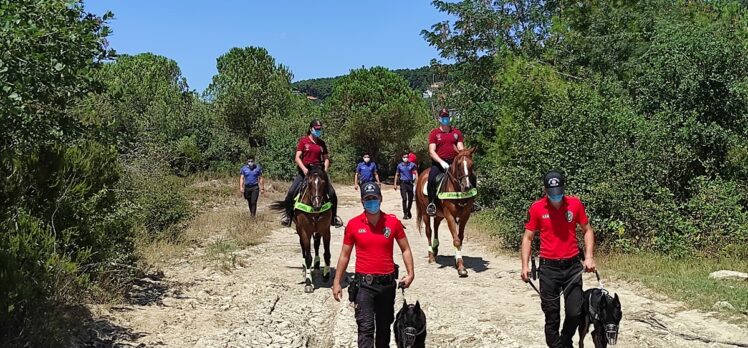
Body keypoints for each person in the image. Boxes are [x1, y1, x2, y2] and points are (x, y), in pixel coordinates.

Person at [332, 182, 415, 348]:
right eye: (367, 199)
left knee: (384, 328)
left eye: (374, 198)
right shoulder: (354, 225)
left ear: (380, 199)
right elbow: (344, 255)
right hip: (364, 286)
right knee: (366, 328)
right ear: (362, 201)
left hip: (387, 285)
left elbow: (405, 249)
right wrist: (336, 282)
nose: (371, 202)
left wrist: (411, 273)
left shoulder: (393, 223)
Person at [520, 170, 597, 348]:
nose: (556, 197)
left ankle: (565, 339)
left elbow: (588, 230)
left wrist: (589, 257)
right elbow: (527, 238)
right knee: (551, 315)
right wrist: (525, 266)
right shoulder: (537, 208)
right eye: (552, 193)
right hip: (548, 269)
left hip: (572, 267)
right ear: (545, 190)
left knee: (575, 312)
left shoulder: (575, 204)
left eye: (559, 192)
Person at [280, 120, 344, 228]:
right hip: (305, 171)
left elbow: (326, 159)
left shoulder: (321, 143)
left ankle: (334, 218)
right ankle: (288, 217)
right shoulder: (303, 142)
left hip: (319, 171)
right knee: (291, 192)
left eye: (320, 129)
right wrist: (304, 169)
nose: (318, 131)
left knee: (332, 194)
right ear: (311, 129)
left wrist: (325, 170)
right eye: (316, 129)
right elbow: (297, 157)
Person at [426, 109, 464, 216]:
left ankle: (470, 202)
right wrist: (442, 162)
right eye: (443, 117)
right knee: (431, 179)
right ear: (439, 119)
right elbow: (431, 151)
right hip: (439, 163)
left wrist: (463, 155)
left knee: (469, 175)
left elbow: (460, 147)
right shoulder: (434, 133)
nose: (445, 119)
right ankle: (432, 203)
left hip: (454, 162)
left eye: (447, 117)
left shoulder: (456, 133)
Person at [394, 153, 417, 219]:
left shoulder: (412, 165)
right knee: (404, 199)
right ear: (402, 157)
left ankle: (408, 210)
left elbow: (416, 173)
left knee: (410, 199)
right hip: (403, 184)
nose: (405, 158)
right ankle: (405, 213)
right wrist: (395, 184)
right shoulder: (399, 166)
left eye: (407, 157)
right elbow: (397, 174)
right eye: (404, 157)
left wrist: (417, 182)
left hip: (410, 183)